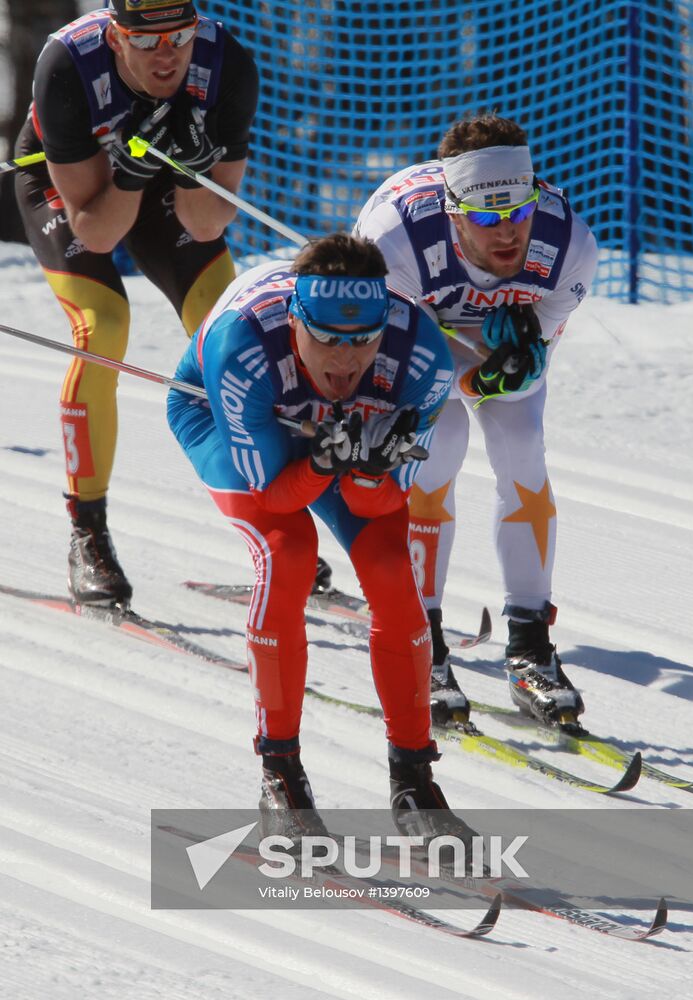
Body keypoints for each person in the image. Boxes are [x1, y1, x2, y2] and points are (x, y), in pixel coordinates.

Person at [167, 232, 472, 837]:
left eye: (363, 340)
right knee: (289, 553)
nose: (345, 359)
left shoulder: (423, 357)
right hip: (234, 420)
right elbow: (272, 494)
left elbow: (386, 500)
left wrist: (368, 467)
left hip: (333, 436)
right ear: (294, 323)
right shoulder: (244, 346)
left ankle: (413, 780)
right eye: (327, 338)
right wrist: (324, 464)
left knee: (391, 574)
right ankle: (280, 774)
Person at [355, 113, 599, 730]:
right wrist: (472, 372)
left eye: (517, 212)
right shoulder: (393, 239)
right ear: (453, 211)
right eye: (486, 220)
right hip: (412, 337)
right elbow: (395, 354)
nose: (508, 233)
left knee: (521, 446)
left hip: (486, 340)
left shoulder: (568, 243)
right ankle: (424, 639)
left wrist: (521, 349)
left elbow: (535, 350)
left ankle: (530, 644)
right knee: (441, 443)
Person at [14, 0, 258, 607]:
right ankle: (87, 532)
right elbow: (96, 232)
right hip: (82, 189)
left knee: (235, 335)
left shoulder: (227, 63)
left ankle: (274, 523)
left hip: (163, 185)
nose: (168, 55)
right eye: (146, 43)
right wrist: (128, 174)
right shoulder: (68, 65)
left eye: (179, 37)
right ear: (115, 35)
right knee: (104, 329)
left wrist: (191, 169)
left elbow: (205, 226)